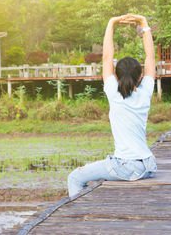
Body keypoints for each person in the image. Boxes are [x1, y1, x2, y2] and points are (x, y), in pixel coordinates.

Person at [67, 14, 157, 197]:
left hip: (125, 166)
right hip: (148, 165)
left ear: (116, 75)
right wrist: (143, 23)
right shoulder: (146, 91)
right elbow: (150, 58)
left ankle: (80, 215)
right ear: (140, 76)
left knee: (75, 178)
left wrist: (111, 22)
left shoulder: (114, 93)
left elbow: (107, 57)